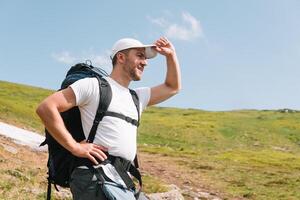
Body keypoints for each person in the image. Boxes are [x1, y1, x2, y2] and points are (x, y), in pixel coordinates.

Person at [36, 36, 181, 199]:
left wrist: (171, 55)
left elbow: (172, 87)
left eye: (145, 58)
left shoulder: (137, 97)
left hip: (121, 179)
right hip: (94, 176)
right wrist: (74, 146)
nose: (145, 62)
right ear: (121, 57)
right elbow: (46, 107)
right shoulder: (93, 86)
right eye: (139, 56)